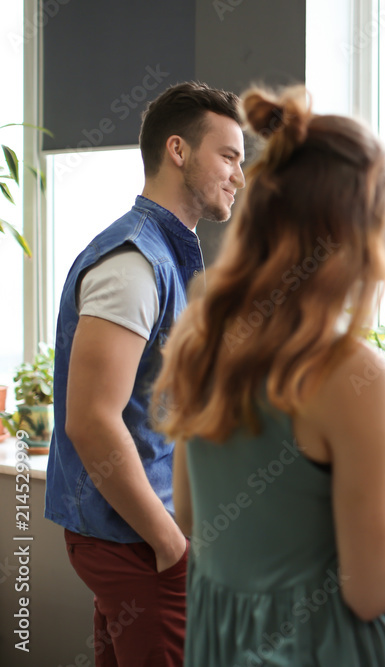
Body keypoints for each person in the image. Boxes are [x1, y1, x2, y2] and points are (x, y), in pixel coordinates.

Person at [152, 86, 385, 666]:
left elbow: (192, 514)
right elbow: (369, 592)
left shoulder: (203, 339)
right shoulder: (352, 373)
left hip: (226, 642)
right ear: (359, 224)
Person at [44, 81, 245, 666]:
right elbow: (91, 420)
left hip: (139, 534)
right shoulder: (134, 263)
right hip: (136, 539)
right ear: (178, 151)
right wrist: (171, 546)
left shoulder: (164, 254)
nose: (238, 174)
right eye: (228, 156)